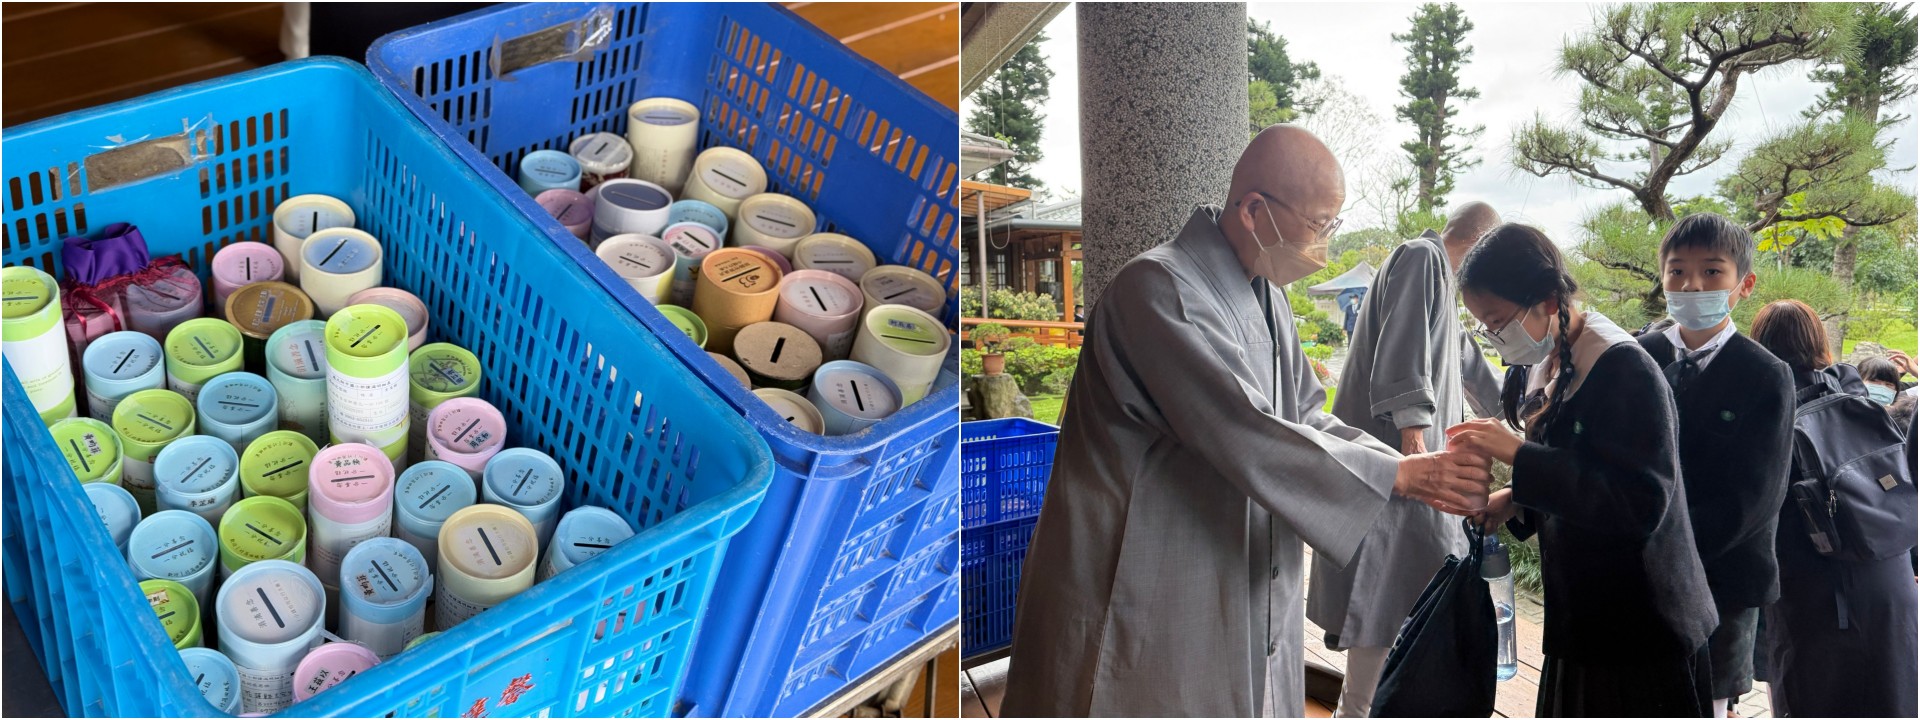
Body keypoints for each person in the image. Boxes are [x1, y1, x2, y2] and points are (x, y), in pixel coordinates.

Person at [998, 125, 1494, 718]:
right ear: (1256, 209)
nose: (1324, 248)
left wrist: (1402, 464)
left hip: (1221, 556)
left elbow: (1307, 414)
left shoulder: (1267, 296)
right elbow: (1244, 427)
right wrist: (1402, 477)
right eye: (1319, 226)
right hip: (1138, 563)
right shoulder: (1156, 288)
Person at [1446, 223, 1719, 717]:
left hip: (1640, 626)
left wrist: (1518, 455)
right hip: (1588, 616)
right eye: (1482, 325)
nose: (1493, 336)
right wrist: (1514, 498)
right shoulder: (1548, 358)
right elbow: (1583, 469)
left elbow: (1638, 503)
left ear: (1549, 300)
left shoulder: (1621, 367)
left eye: (1497, 321)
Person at [1307, 202, 1506, 718]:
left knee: (1398, 622)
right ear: (1481, 243)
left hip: (1416, 485)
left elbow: (1474, 370)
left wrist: (1524, 412)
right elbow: (1403, 353)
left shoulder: (1443, 284)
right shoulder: (1421, 256)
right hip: (1397, 477)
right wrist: (1415, 441)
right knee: (1377, 631)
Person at [1633, 214, 1795, 717]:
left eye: (1712, 272)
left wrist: (1669, 551)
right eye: (1677, 272)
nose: (1692, 284)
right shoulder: (1641, 356)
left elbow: (1755, 498)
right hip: (1641, 570)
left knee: (1706, 699)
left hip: (1720, 579)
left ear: (1743, 285)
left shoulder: (1766, 374)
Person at [1751, 300, 1919, 718]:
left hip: (1812, 592)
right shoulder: (1855, 394)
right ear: (1819, 342)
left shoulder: (1764, 411)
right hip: (1888, 574)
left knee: (1812, 696)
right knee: (1892, 692)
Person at [1859, 356, 1917, 432]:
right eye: (1874, 381)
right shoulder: (1843, 412)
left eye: (1889, 384)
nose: (1882, 388)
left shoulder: (1899, 421)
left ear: (1896, 391)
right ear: (1857, 381)